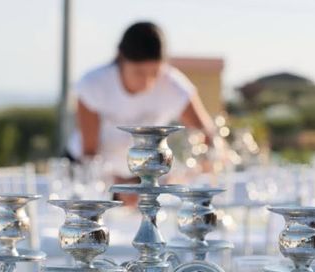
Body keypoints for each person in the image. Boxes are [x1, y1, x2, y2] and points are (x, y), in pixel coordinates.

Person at [66, 21, 217, 181]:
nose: (147, 82)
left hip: (145, 174)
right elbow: (89, 154)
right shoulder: (93, 84)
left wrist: (205, 164)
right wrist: (119, 187)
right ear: (121, 60)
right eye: (139, 72)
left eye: (154, 72)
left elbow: (206, 133)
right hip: (92, 172)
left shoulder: (173, 85)